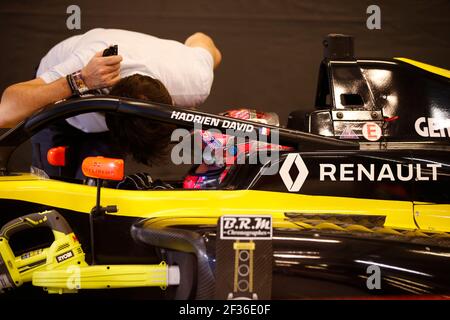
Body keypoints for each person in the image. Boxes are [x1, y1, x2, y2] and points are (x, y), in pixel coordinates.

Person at [0, 28, 221, 178]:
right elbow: (5, 112)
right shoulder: (86, 61)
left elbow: (201, 40)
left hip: (147, 75)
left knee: (102, 195)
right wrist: (79, 80)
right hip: (59, 100)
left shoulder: (192, 79)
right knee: (52, 193)